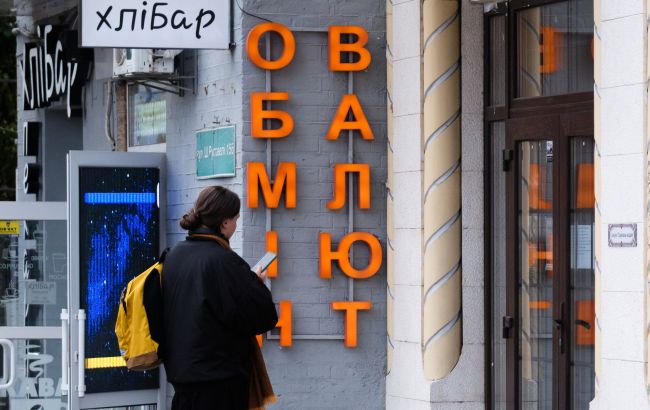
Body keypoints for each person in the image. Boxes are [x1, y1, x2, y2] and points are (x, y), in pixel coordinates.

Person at [162, 186, 278, 410]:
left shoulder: (174, 255)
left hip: (182, 380)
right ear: (224, 223)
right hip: (219, 384)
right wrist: (254, 284)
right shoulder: (224, 261)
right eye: (235, 219)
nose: (235, 225)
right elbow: (264, 317)